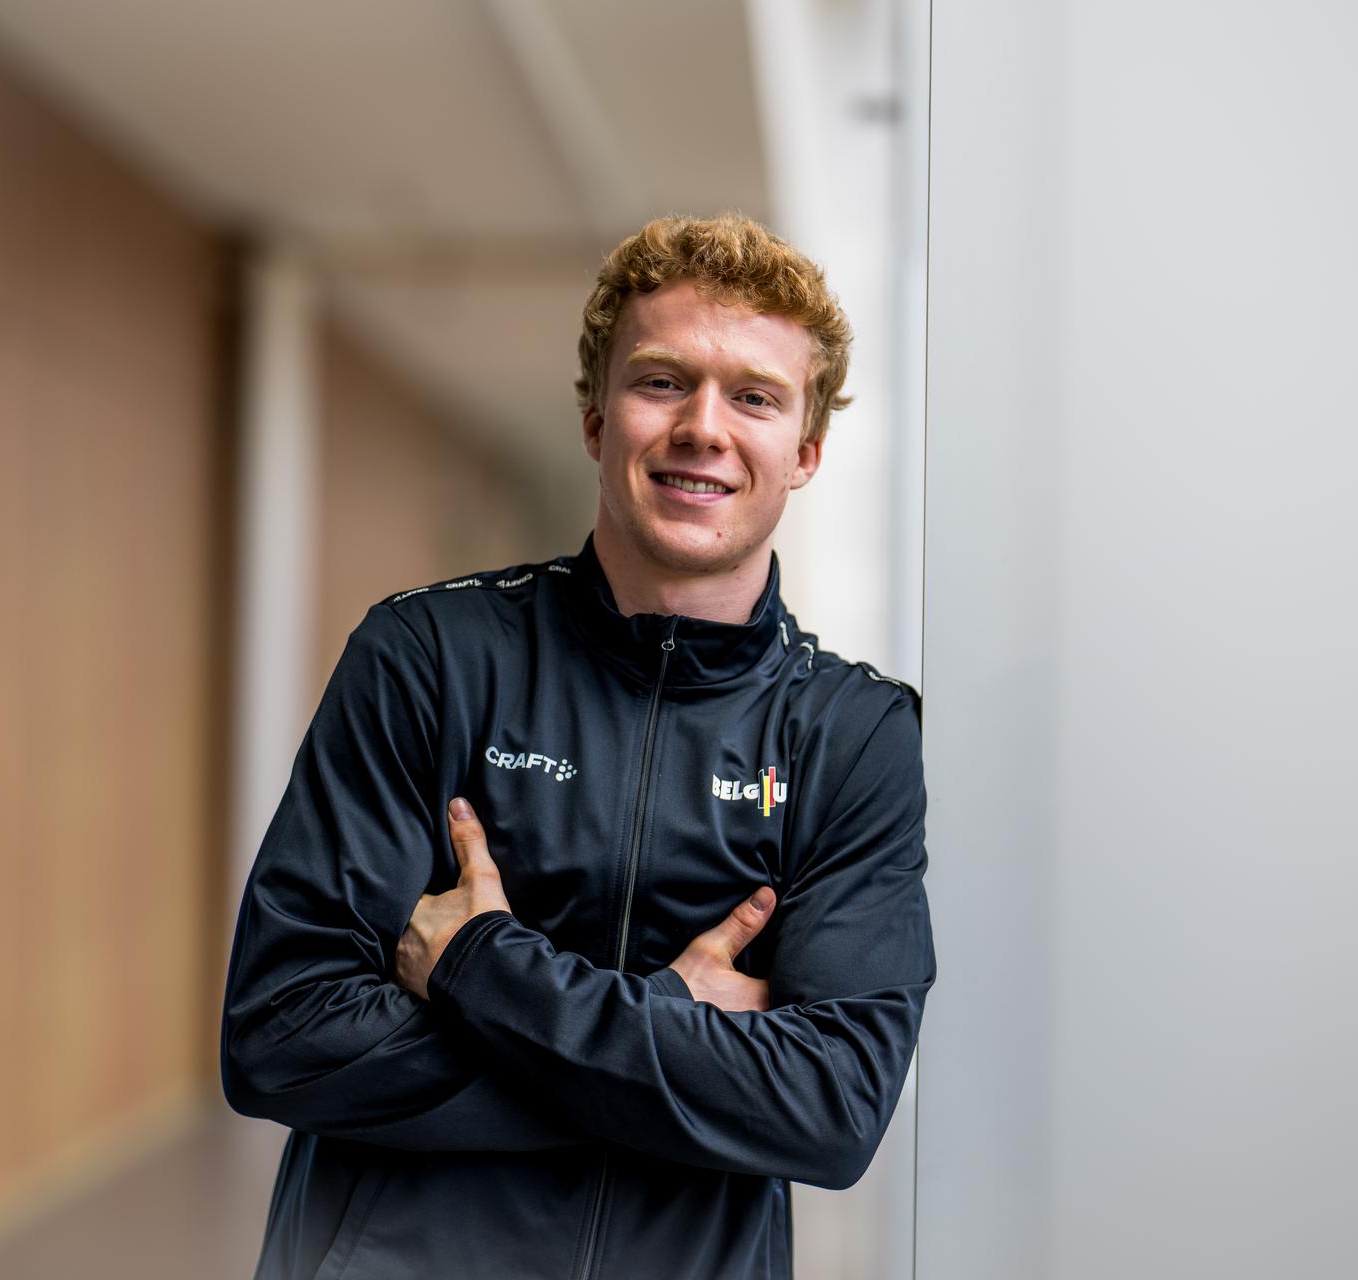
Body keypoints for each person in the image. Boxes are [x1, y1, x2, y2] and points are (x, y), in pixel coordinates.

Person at [219, 212, 936, 1280]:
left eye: (754, 397)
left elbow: (829, 1110)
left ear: (805, 452)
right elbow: (282, 1033)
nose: (703, 426)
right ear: (597, 419)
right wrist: (675, 1032)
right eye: (662, 381)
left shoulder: (853, 734)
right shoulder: (430, 658)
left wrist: (481, 965)